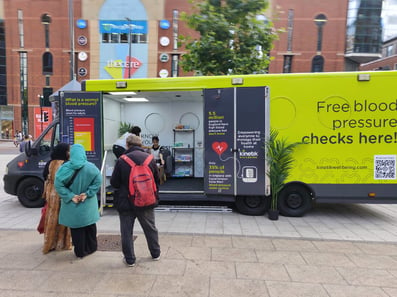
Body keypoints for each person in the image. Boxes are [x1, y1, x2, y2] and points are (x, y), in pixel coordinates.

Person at [110, 135, 161, 267]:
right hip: (146, 200)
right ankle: (155, 253)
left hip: (126, 202)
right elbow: (157, 180)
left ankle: (130, 259)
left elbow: (114, 182)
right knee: (150, 228)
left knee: (126, 231)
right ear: (141, 144)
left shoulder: (122, 160)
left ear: (127, 145)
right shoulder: (149, 159)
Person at [54, 144, 102, 258]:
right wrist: (88, 193)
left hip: (72, 204)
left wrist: (71, 196)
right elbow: (98, 181)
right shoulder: (91, 167)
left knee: (76, 229)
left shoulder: (64, 168)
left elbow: (58, 185)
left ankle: (80, 252)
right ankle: (92, 247)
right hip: (88, 203)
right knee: (90, 226)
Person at [42, 143, 72, 254]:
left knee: (51, 218)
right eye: (68, 150)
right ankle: (63, 243)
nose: (69, 153)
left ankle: (50, 242)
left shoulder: (50, 163)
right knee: (64, 218)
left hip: (51, 194)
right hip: (63, 194)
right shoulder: (67, 164)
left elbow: (44, 175)